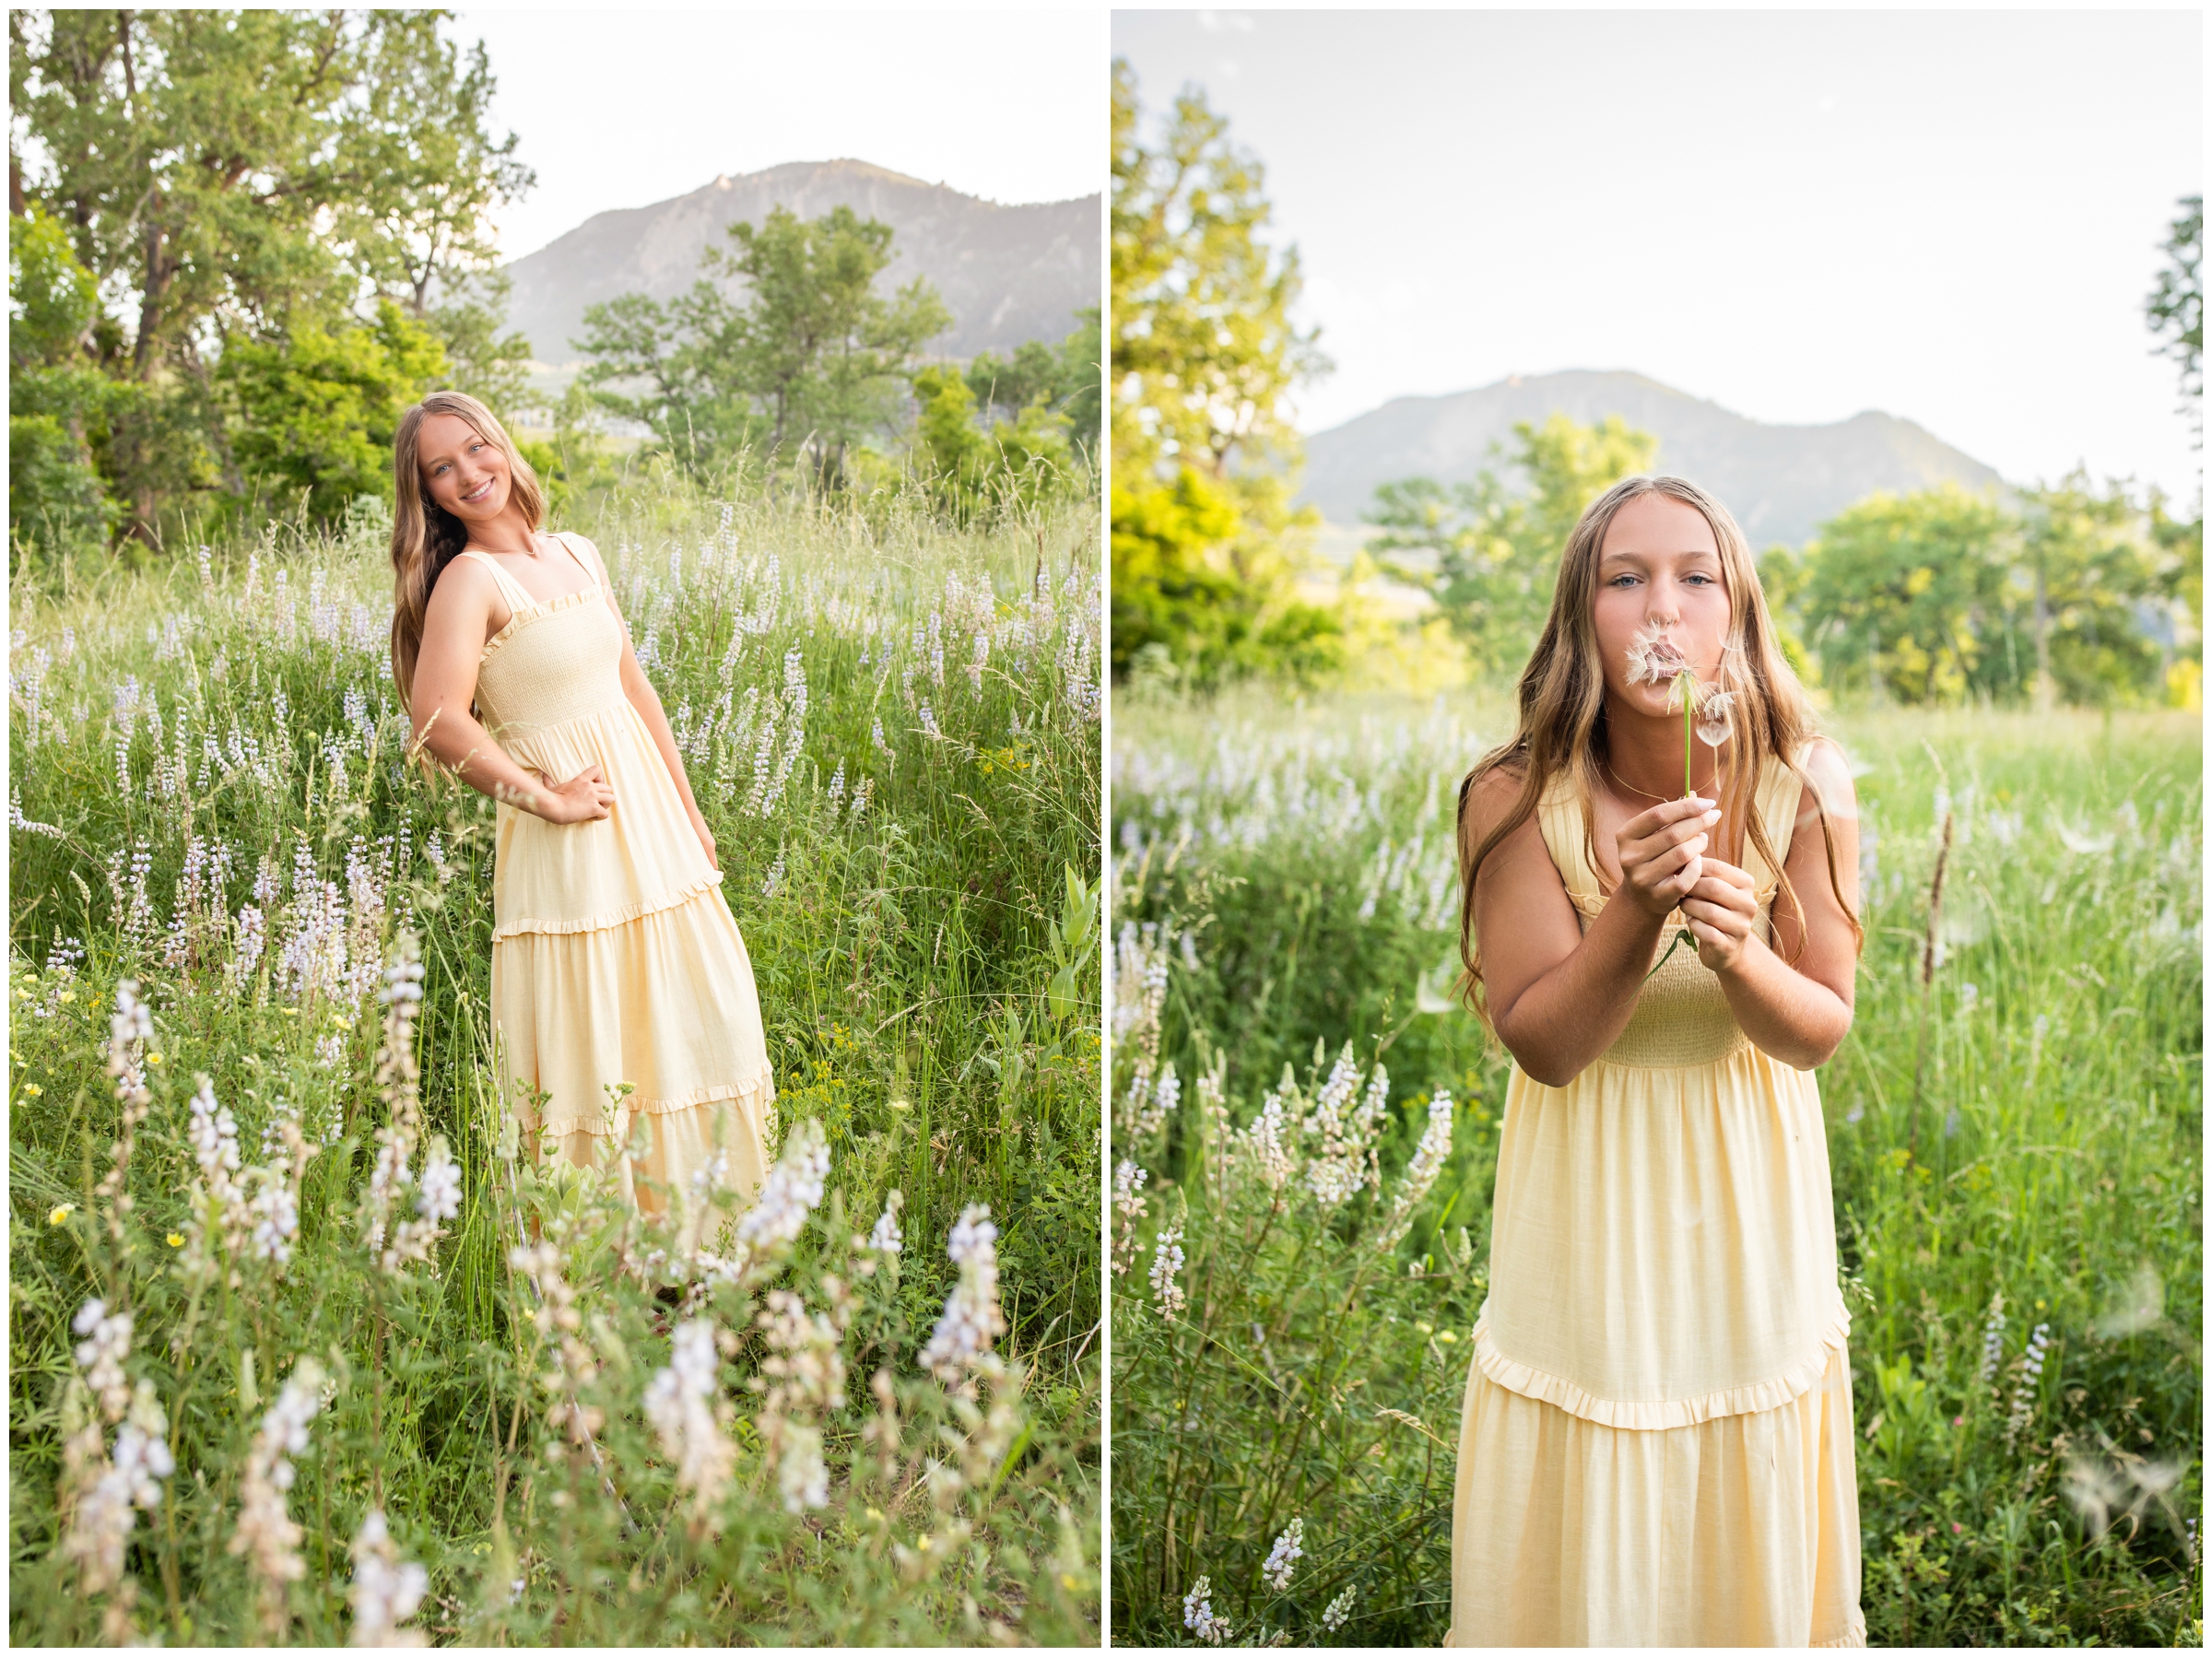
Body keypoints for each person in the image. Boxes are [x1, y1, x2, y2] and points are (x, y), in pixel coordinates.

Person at [1445, 473, 1866, 1647]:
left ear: (1738, 612)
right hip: (1589, 1237)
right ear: (1582, 617)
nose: (1662, 609)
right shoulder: (1519, 793)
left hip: (1749, 1231)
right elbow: (1547, 1044)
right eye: (1625, 580)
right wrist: (1633, 910)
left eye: (1696, 578)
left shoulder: (1802, 782)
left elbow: (1818, 1025)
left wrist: (1737, 954)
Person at [386, 391, 774, 1261]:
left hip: (653, 832)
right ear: (431, 497)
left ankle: (701, 1250)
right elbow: (436, 722)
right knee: (597, 1046)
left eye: (475, 449)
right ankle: (605, 1276)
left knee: (698, 1017)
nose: (468, 474)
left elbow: (636, 695)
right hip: (571, 847)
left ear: (503, 446)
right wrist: (545, 795)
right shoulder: (468, 581)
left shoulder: (576, 553)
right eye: (440, 469)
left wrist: (688, 809)